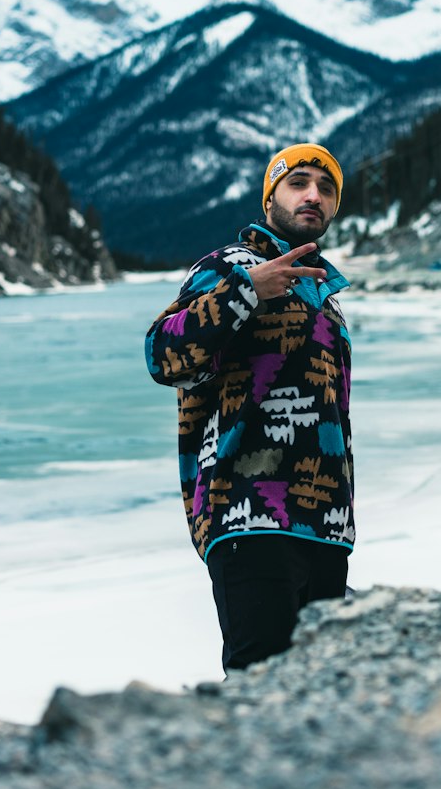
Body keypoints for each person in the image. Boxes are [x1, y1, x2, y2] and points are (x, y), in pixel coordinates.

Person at [145, 143, 354, 671]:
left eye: (326, 188)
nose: (313, 195)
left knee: (321, 688)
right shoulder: (226, 267)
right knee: (258, 682)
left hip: (327, 523)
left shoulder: (327, 299)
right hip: (247, 513)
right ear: (270, 199)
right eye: (299, 182)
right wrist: (245, 292)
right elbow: (161, 355)